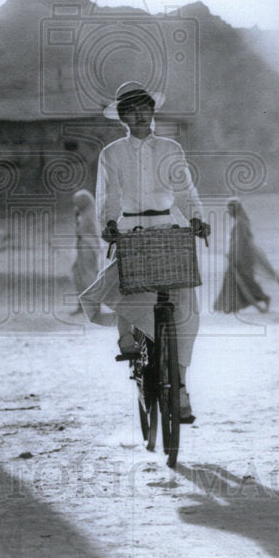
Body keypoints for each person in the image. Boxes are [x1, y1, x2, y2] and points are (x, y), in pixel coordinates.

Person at [79, 81, 210, 423]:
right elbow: (109, 194)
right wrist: (109, 223)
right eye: (131, 111)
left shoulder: (170, 148)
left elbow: (184, 188)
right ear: (123, 117)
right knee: (128, 283)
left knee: (184, 305)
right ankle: (128, 338)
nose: (139, 116)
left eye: (144, 108)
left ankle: (180, 386)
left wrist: (196, 217)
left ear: (153, 111)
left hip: (168, 227)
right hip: (130, 228)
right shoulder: (112, 153)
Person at [214, 197, 279, 314]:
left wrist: (233, 256)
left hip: (242, 256)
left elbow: (241, 242)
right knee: (239, 279)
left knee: (244, 280)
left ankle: (260, 298)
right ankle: (233, 305)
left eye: (230, 209)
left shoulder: (240, 223)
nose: (228, 212)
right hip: (243, 255)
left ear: (235, 209)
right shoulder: (241, 221)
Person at [70, 189, 111, 322]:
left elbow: (92, 234)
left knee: (88, 276)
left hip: (88, 248)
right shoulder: (82, 214)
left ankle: (93, 305)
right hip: (82, 247)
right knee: (78, 274)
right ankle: (82, 304)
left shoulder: (90, 217)